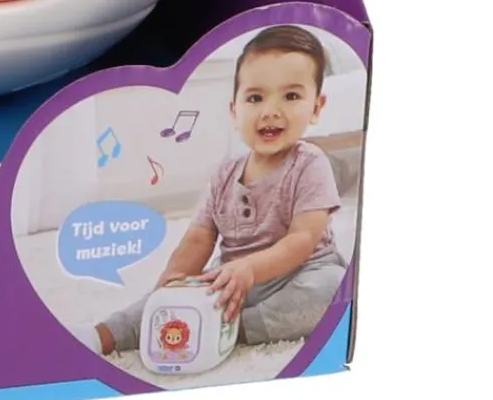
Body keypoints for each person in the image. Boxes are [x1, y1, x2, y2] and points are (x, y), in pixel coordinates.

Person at [91, 26, 346, 354]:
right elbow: (199, 237)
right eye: (255, 98)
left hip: (303, 270)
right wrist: (174, 280)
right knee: (168, 297)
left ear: (316, 108)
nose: (270, 110)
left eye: (291, 96)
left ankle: (232, 330)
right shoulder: (225, 174)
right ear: (234, 110)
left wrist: (251, 268)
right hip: (232, 277)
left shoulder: (310, 163)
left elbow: (302, 239)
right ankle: (104, 335)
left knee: (331, 289)